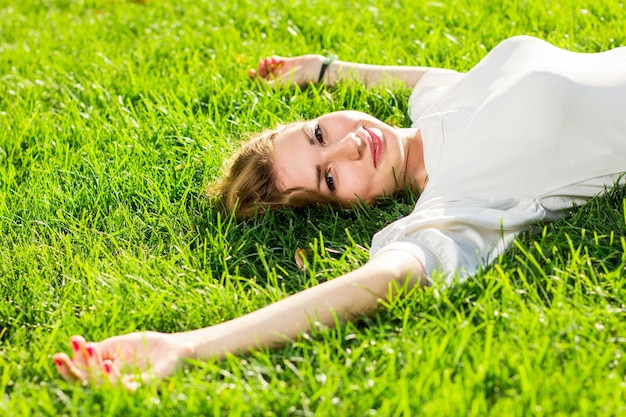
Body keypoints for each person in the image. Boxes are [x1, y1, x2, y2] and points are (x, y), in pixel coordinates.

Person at [53, 36, 626, 389]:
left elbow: (424, 79)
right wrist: (187, 346)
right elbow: (387, 278)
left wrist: (326, 69)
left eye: (320, 130)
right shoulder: (456, 199)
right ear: (350, 206)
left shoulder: (437, 103)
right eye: (329, 176)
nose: (349, 145)